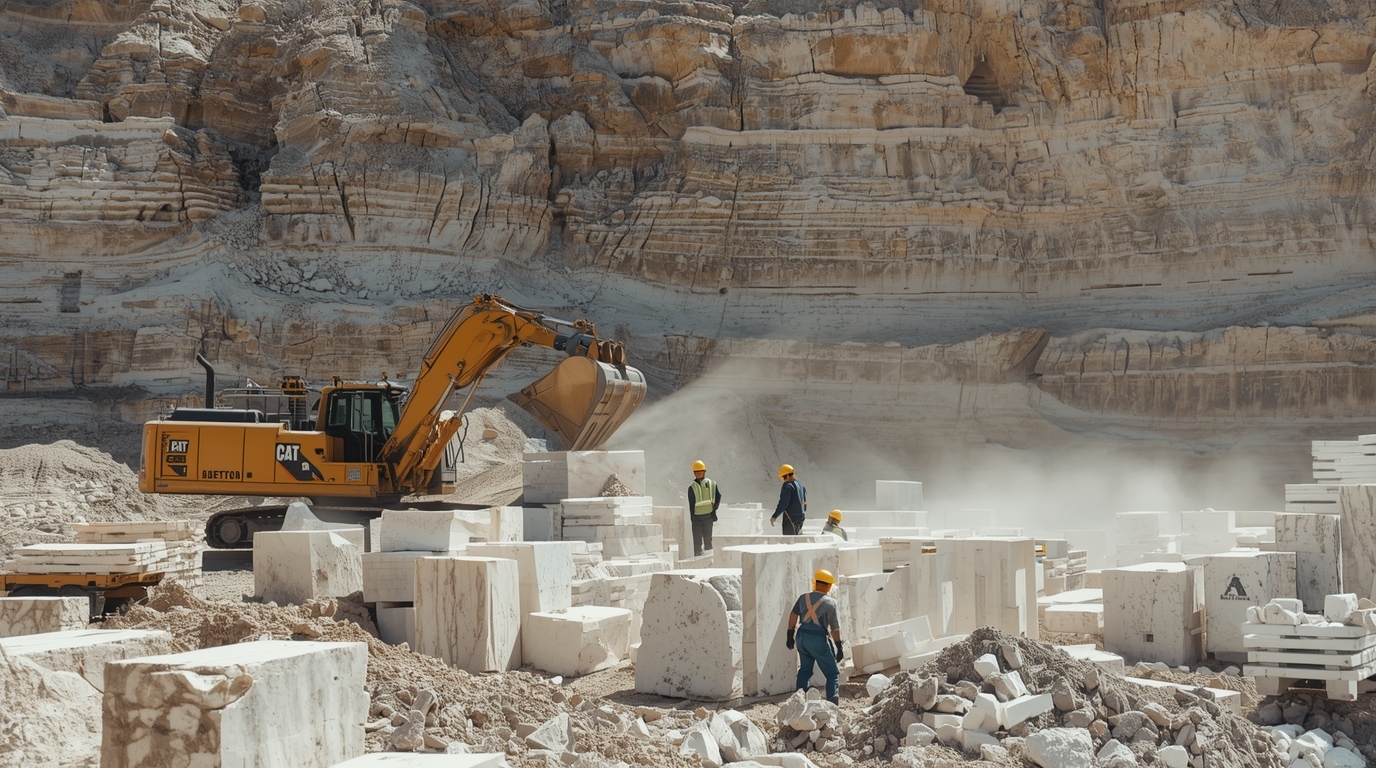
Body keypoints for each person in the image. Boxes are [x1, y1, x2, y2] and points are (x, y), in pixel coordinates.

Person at [786, 568, 844, 704]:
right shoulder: (830, 603)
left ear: (815, 583)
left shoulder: (803, 597)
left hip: (801, 637)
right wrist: (838, 646)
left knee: (805, 670)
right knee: (832, 674)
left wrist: (790, 634)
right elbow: (834, 628)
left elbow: (793, 614)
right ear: (829, 586)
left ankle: (798, 701)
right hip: (817, 639)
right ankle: (832, 703)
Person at [687, 459, 721, 557]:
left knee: (708, 541)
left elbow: (718, 497)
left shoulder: (712, 484)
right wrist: (692, 519)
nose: (698, 474)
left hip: (708, 517)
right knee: (697, 543)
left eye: (700, 472)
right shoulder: (692, 487)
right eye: (697, 473)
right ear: (694, 473)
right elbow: (691, 505)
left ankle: (708, 560)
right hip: (697, 518)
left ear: (704, 472)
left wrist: (714, 510)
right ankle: (698, 559)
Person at [770, 464, 806, 535]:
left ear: (787, 476)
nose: (784, 480)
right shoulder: (800, 485)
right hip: (801, 517)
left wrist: (775, 516)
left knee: (788, 541)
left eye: (784, 477)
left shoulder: (787, 486)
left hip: (791, 518)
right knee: (797, 541)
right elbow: (804, 502)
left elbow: (784, 503)